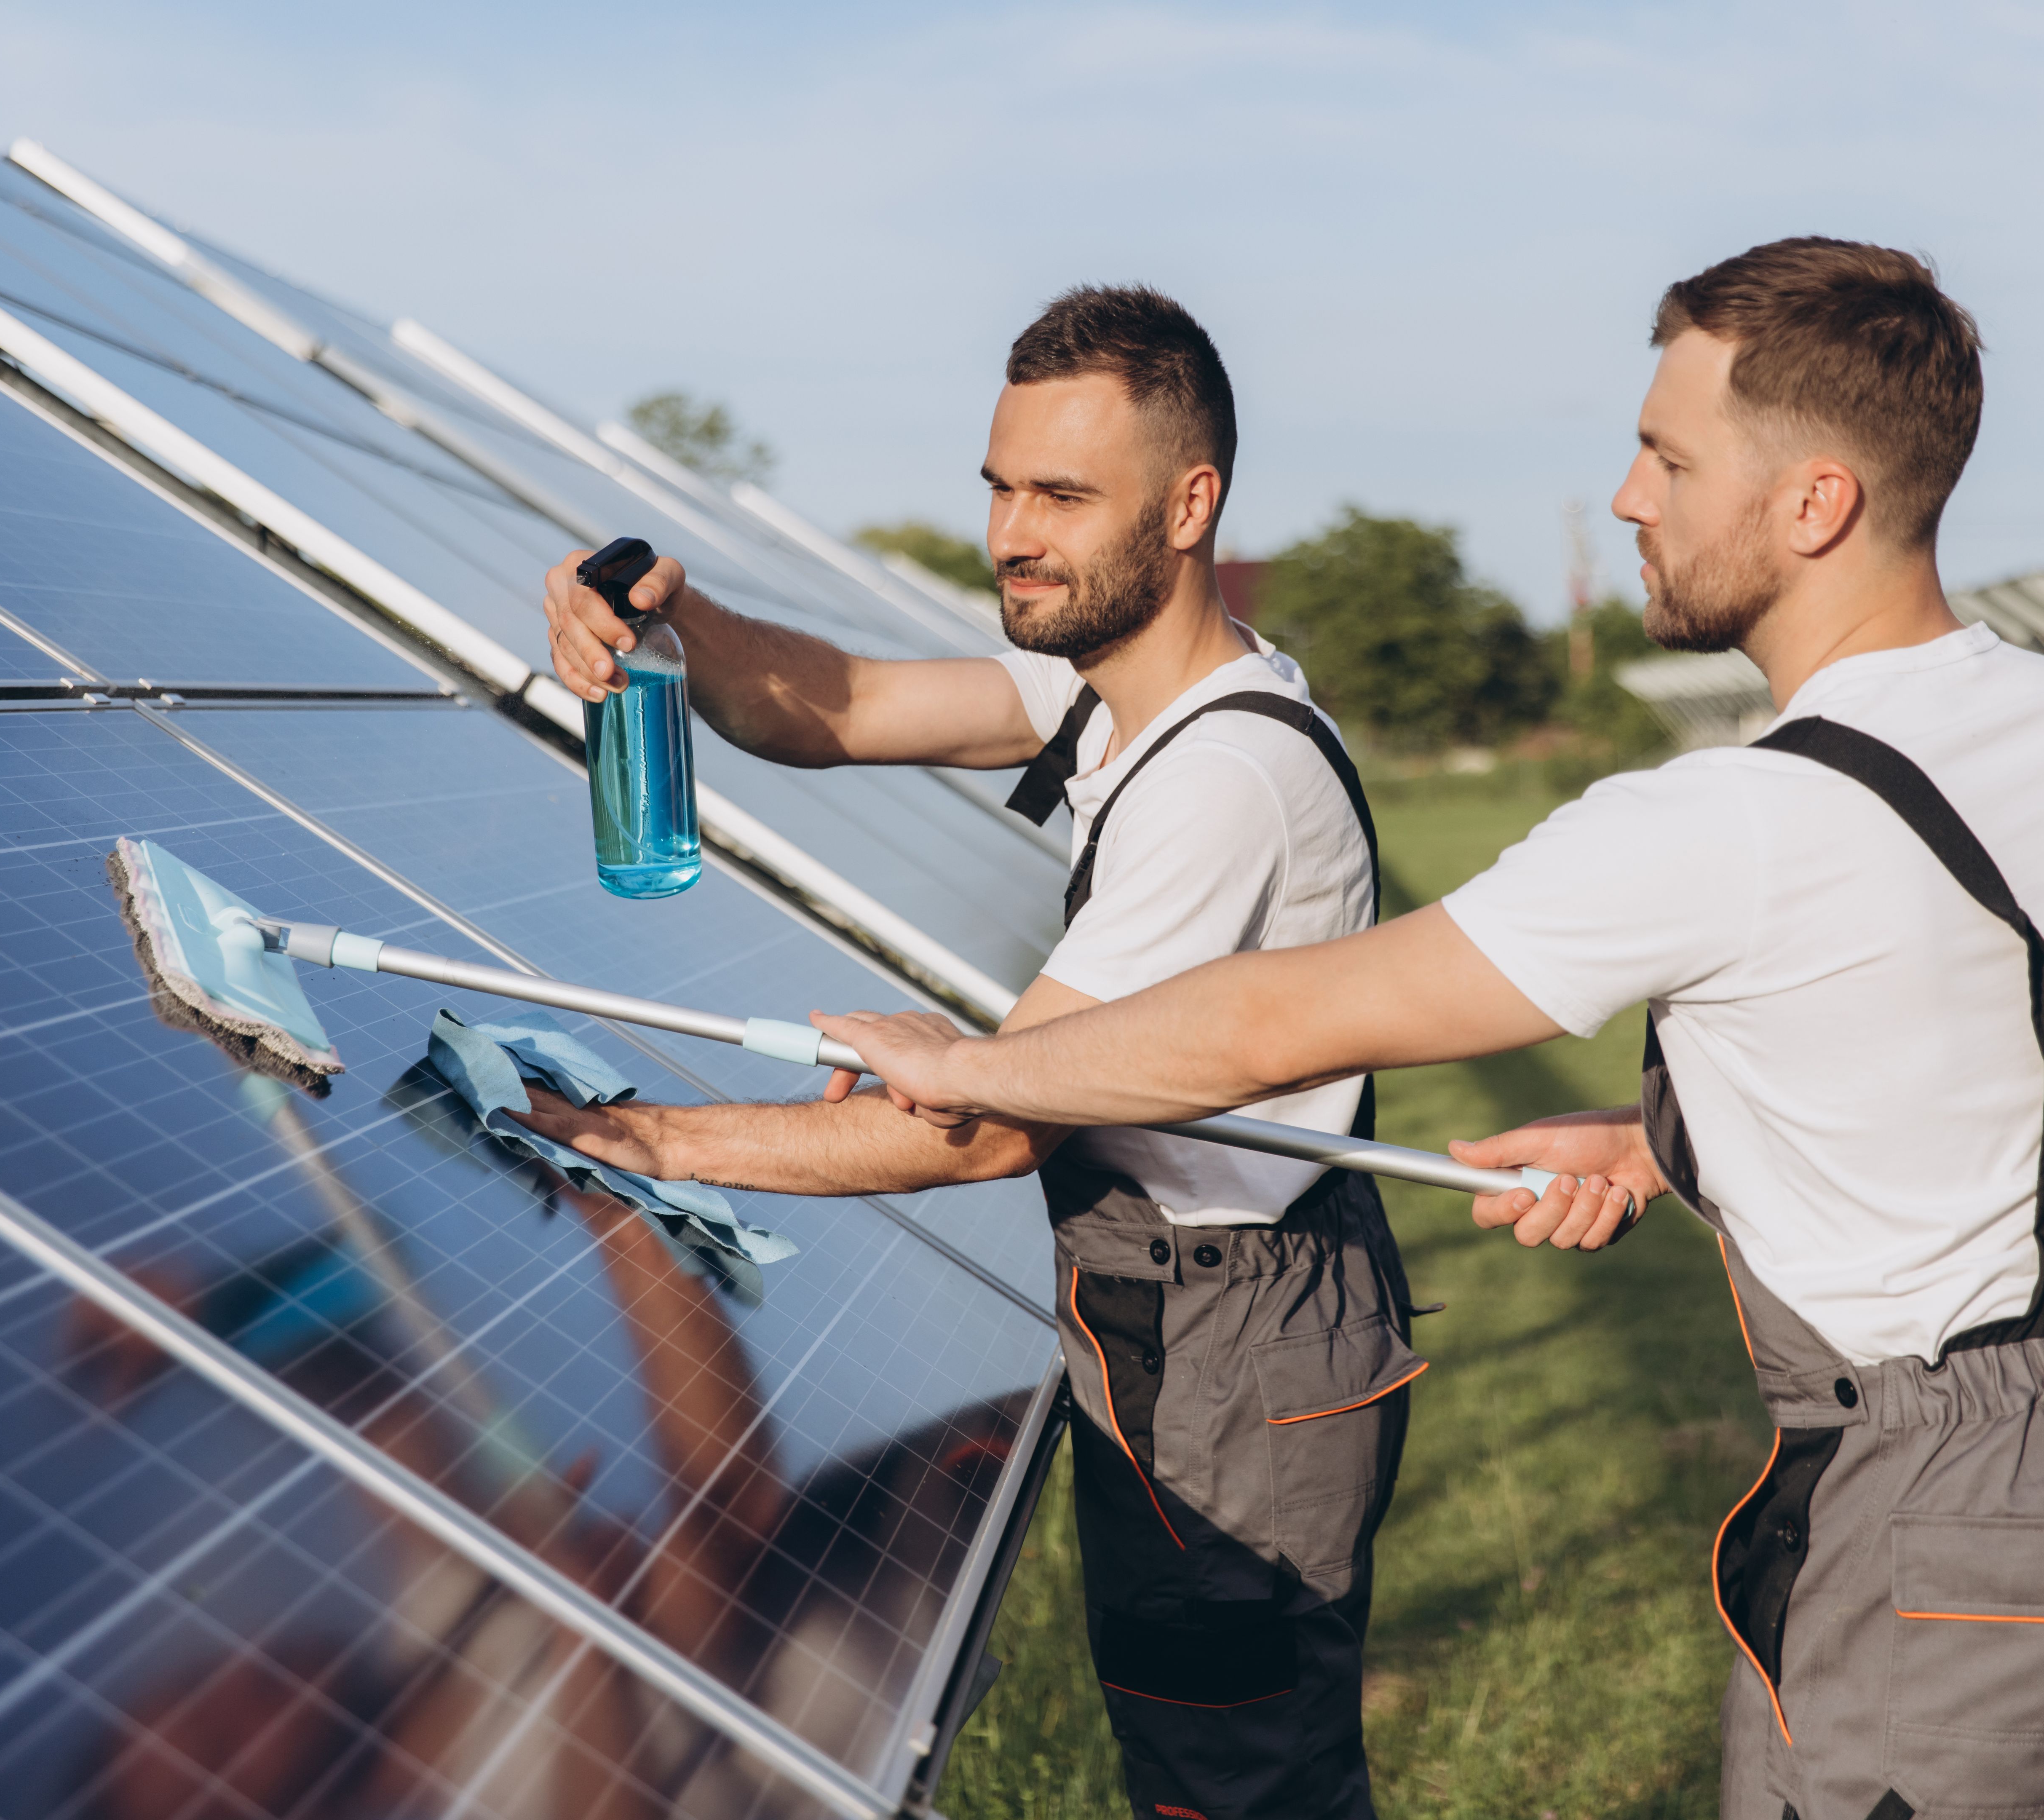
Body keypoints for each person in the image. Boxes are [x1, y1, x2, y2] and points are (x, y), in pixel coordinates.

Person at [823, 241, 2044, 1819]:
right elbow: (1983, 1047)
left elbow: (1274, 1019)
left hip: (1955, 1543)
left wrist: (970, 1069)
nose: (1629, 498)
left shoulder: (1737, 818)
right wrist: (1666, 1143)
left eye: (1668, 455)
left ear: (1815, 503)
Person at [535, 286, 1416, 1820]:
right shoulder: (1120, 687)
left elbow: (992, 1123)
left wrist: (646, 1143)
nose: (1016, 531)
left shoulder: (1224, 782)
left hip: (1233, 1335)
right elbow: (842, 707)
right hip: (1190, 1303)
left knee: (1238, 1782)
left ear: (1191, 502)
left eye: (1064, 496)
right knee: (1205, 1757)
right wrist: (672, 623)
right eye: (1002, 486)